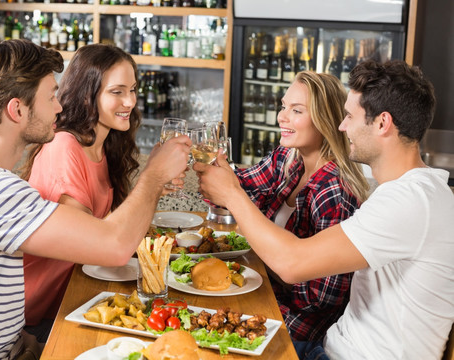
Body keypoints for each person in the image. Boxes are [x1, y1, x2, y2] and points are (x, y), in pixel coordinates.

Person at [0, 39, 190, 359]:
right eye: (51, 97)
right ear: (17, 109)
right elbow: (112, 246)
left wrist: (23, 343)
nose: (60, 107)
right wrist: (154, 175)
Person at [194, 60, 454, 360]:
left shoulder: (409, 201)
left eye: (349, 116)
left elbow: (293, 264)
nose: (342, 126)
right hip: (333, 348)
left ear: (382, 123)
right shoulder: (410, 193)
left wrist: (231, 193)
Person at [19, 44, 143, 342]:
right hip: (40, 315)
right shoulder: (64, 147)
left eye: (134, 89)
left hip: (78, 298)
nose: (130, 101)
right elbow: (91, 243)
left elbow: (111, 226)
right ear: (88, 93)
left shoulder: (105, 146)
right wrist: (152, 183)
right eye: (117, 91)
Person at [233, 71, 369, 341]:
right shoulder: (289, 158)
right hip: (265, 295)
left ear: (324, 120)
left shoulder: (335, 191)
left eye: (296, 110)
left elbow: (320, 300)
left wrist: (267, 257)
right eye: (283, 107)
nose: (281, 117)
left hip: (298, 330)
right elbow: (240, 188)